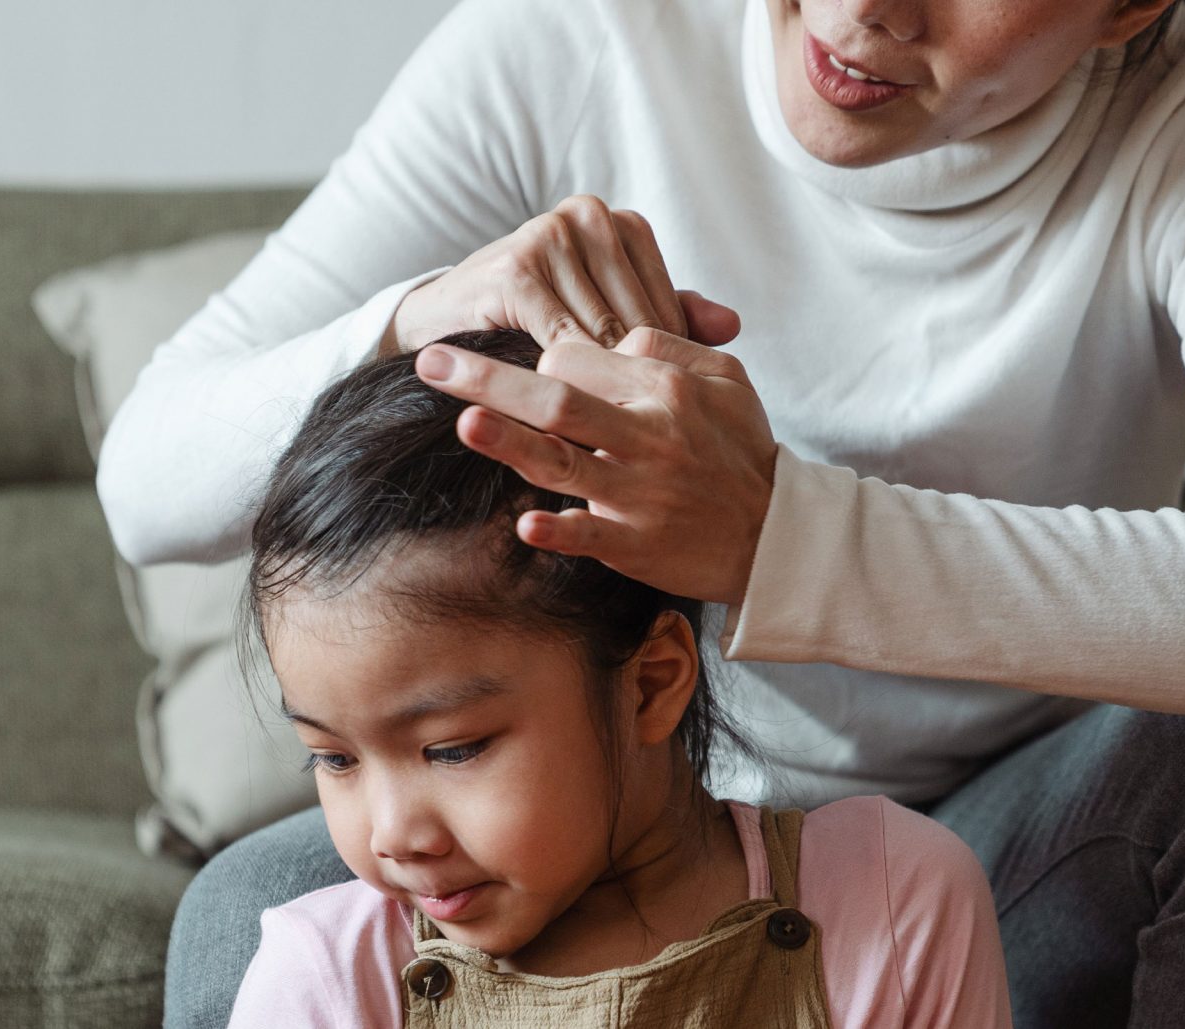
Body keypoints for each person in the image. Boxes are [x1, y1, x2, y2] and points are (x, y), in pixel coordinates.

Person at [99, 0, 1185, 1025]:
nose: (870, 12)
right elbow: (148, 478)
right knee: (247, 911)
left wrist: (780, 537)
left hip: (1015, 848)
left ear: (1131, 12)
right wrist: (419, 310)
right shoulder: (583, 39)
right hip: (625, 805)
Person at [224, 328, 1011, 1027]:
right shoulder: (327, 981)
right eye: (334, 757)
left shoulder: (890, 904)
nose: (392, 835)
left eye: (453, 749)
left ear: (651, 683)